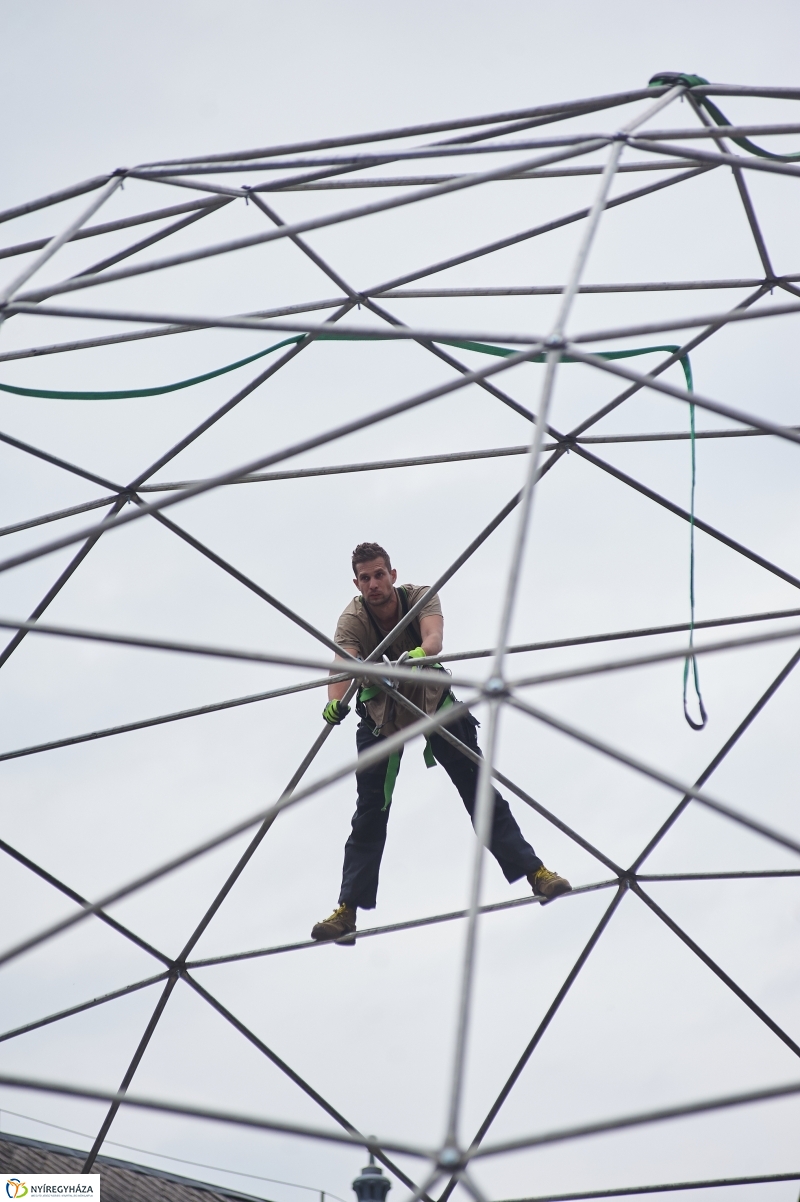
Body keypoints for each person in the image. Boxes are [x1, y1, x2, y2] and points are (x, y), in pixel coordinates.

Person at [310, 542, 571, 943]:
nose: (374, 583)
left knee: (479, 792)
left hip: (432, 703)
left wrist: (416, 654)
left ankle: (535, 873)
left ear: (392, 574)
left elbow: (434, 640)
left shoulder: (419, 597)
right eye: (366, 578)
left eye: (380, 574)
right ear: (357, 582)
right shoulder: (354, 618)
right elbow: (342, 663)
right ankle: (347, 912)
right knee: (369, 815)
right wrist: (333, 701)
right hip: (383, 716)